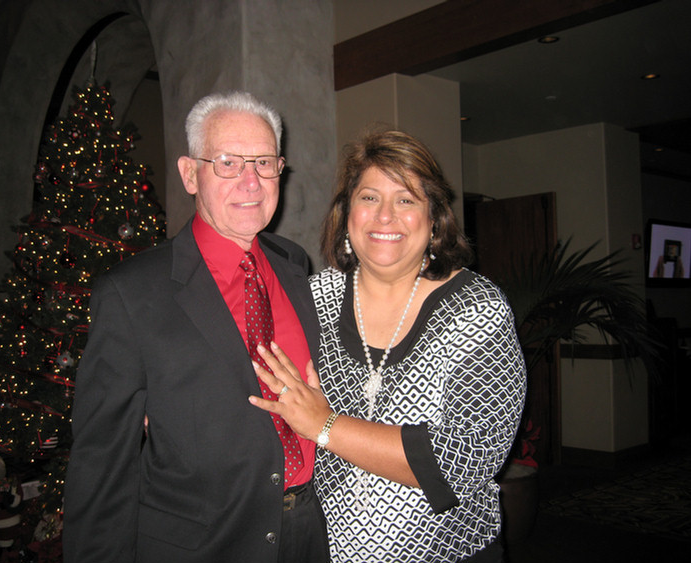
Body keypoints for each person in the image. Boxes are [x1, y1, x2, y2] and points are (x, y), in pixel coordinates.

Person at [63, 91, 328, 563]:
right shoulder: (132, 293)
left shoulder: (293, 264)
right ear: (190, 173)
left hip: (309, 533)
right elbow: (102, 464)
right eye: (227, 162)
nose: (251, 181)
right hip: (203, 546)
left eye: (265, 163)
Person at [249, 128, 527, 562]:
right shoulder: (313, 299)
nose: (385, 217)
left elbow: (464, 459)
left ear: (434, 218)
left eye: (406, 199)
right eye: (369, 197)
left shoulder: (476, 307)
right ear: (346, 213)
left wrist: (326, 426)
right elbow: (256, 373)